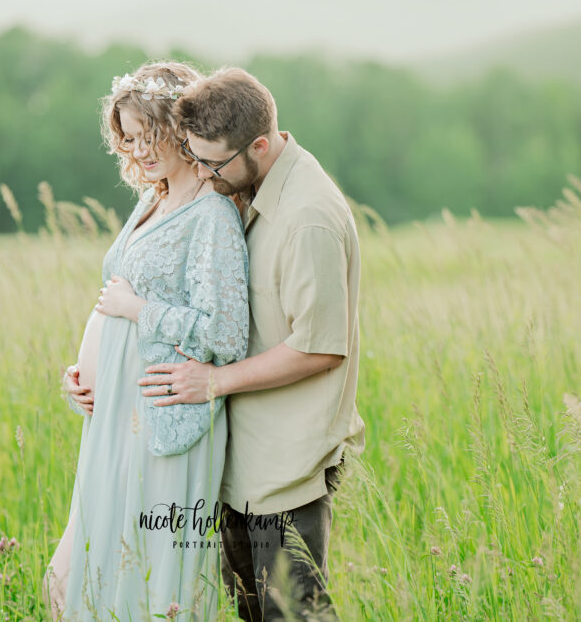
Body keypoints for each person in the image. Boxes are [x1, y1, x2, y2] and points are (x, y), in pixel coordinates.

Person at [138, 67, 366, 621]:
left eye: (212, 163)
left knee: (294, 612)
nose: (204, 175)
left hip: (287, 460)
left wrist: (213, 382)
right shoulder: (247, 184)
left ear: (259, 146)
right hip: (241, 456)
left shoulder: (307, 218)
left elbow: (320, 348)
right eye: (196, 159)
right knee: (251, 610)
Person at [45, 61, 250, 621]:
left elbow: (224, 333)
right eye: (128, 139)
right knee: (95, 565)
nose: (137, 151)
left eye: (148, 135)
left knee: (151, 576)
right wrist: (85, 376)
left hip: (165, 417)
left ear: (179, 129)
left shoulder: (211, 216)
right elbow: (112, 306)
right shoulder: (152, 201)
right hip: (114, 414)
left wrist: (138, 310)